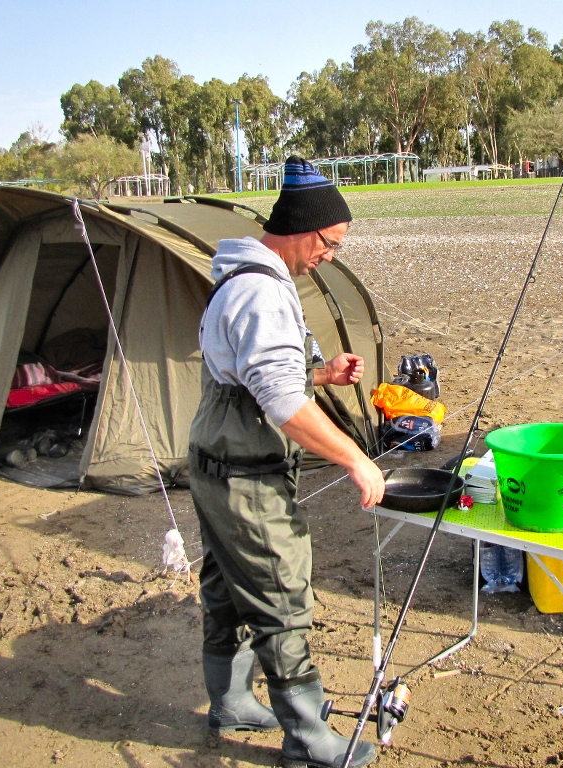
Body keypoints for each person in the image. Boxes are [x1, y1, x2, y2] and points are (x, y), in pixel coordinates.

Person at [190, 157, 383, 768]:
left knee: (227, 587)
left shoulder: (246, 277)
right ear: (303, 230)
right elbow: (280, 403)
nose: (330, 255)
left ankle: (229, 701)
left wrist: (321, 373)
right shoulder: (261, 290)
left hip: (217, 465)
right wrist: (355, 457)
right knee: (280, 596)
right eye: (330, 244)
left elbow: (251, 373)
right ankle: (306, 737)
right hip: (243, 477)